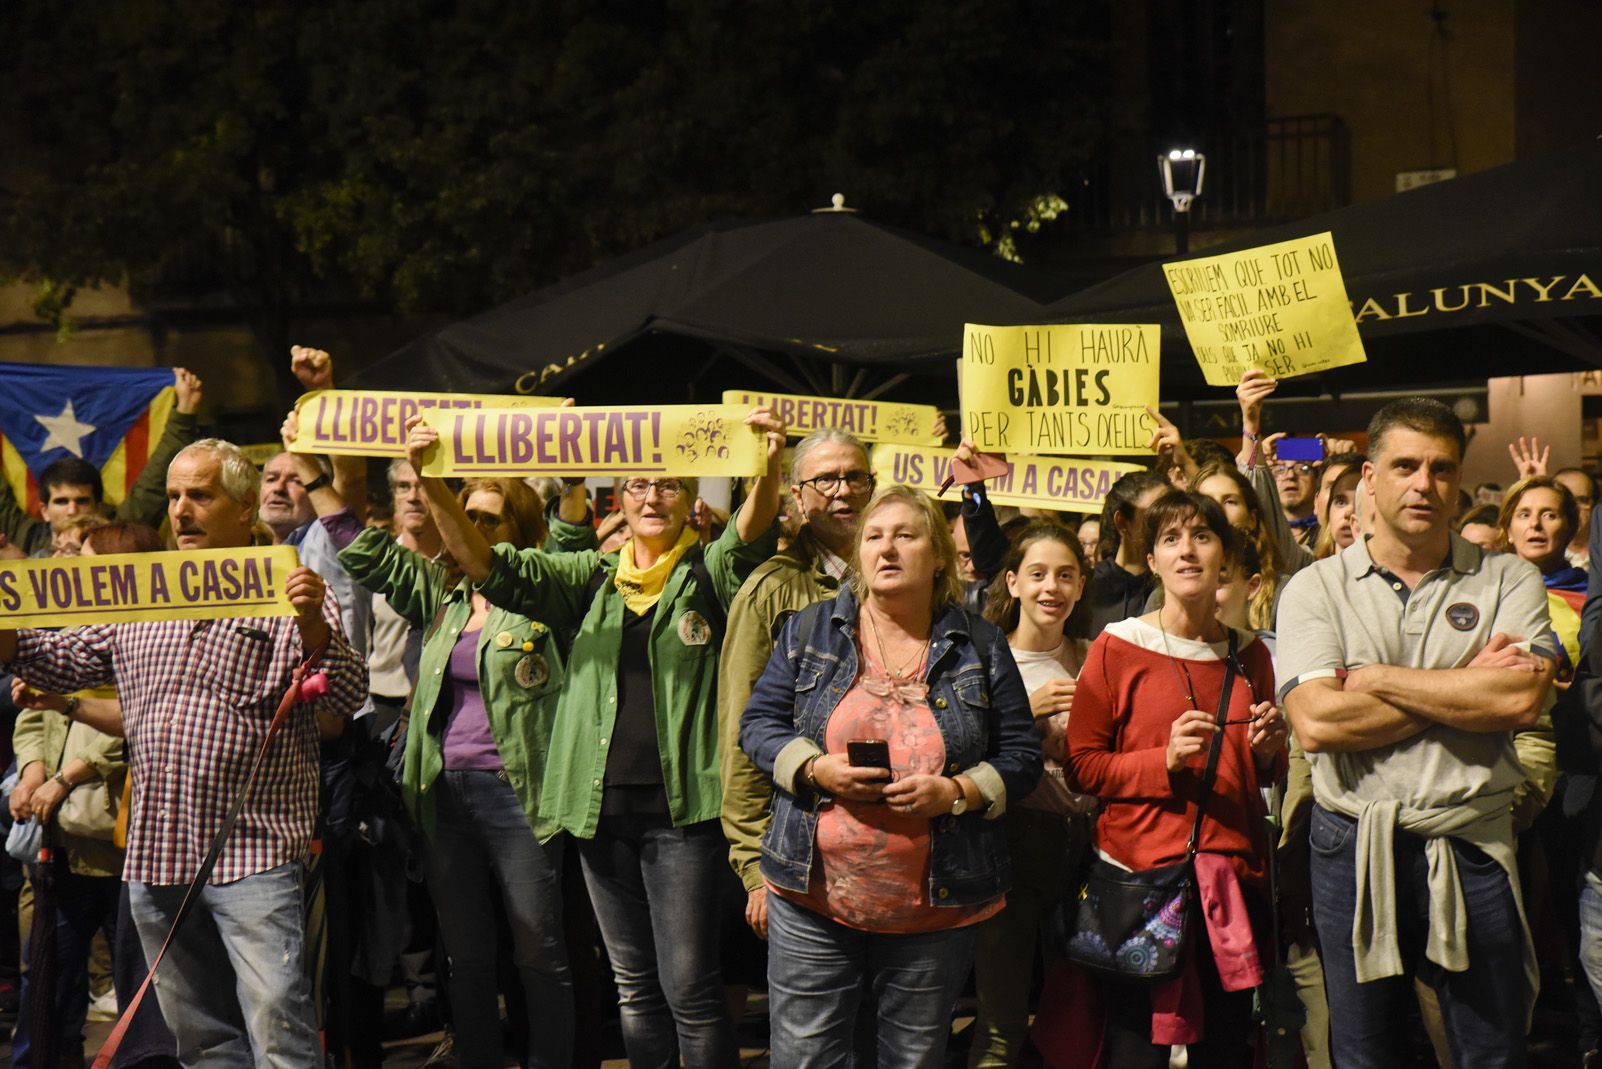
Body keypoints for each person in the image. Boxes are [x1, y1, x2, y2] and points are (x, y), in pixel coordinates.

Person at [413, 407, 786, 1068]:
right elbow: (483, 561)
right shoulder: (588, 577)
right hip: (600, 815)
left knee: (690, 988)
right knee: (634, 990)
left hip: (683, 817)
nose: (652, 496)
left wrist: (768, 461)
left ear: (689, 498)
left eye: (668, 485)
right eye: (639, 485)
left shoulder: (709, 572)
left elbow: (751, 532)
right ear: (621, 498)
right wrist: (430, 482)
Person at [0, 438, 368, 1068]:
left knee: (278, 1027)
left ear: (245, 506)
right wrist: (8, 624)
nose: (180, 509)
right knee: (200, 1039)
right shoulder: (144, 593)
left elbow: (347, 694)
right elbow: (61, 659)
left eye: (200, 495)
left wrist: (312, 626)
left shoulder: (285, 586)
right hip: (157, 854)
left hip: (252, 853)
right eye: (173, 495)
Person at [1277, 398, 1557, 1066]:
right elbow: (1317, 721)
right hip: (1351, 839)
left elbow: (1520, 696)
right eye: (1405, 466)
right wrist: (1466, 682)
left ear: (1458, 480)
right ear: (1370, 478)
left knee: (1490, 1050)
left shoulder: (1508, 577)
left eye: (1441, 468)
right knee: (1364, 1051)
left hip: (1471, 837)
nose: (1424, 483)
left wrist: (1374, 678)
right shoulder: (1315, 588)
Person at [739, 485, 1041, 1068]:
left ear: (939, 556)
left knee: (911, 1059)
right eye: (874, 537)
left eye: (905, 535)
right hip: (812, 895)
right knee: (805, 1058)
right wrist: (815, 769)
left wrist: (956, 793)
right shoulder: (811, 630)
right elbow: (758, 725)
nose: (887, 548)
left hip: (935, 906)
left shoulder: (980, 643)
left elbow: (1022, 757)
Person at [339, 466, 575, 1069]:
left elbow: (573, 538)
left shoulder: (543, 587)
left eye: (489, 518)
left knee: (537, 952)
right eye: (466, 515)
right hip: (443, 792)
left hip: (517, 794)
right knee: (464, 958)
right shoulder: (443, 593)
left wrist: (573, 482)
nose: (474, 527)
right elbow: (366, 554)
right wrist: (323, 476)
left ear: (521, 527)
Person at [1065, 491, 1285, 1064]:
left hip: (1231, 889)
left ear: (1225, 560)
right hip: (1140, 884)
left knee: (1226, 1049)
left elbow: (1258, 774)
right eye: (1170, 539)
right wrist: (1161, 761)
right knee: (1133, 1050)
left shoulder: (1252, 655)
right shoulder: (1118, 647)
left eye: (1201, 537)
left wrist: (1268, 753)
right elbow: (1081, 767)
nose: (1186, 551)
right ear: (1153, 560)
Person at [8, 521, 179, 1069]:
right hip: (62, 838)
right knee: (47, 975)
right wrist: (33, 773)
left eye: (87, 563)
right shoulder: (72, 636)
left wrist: (66, 777)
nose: (76, 573)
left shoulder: (152, 636)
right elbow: (33, 714)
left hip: (125, 842)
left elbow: (140, 725)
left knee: (141, 980)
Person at [720, 428, 875, 939]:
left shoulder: (906, 580)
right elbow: (743, 730)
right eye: (826, 479)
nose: (843, 490)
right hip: (803, 839)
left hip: (894, 835)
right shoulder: (771, 590)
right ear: (798, 496)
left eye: (855, 477)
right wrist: (752, 862)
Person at [968, 523, 1094, 1069]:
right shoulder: (985, 659)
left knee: (1079, 1018)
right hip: (1013, 842)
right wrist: (1025, 714)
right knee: (1002, 1020)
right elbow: (957, 753)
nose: (1052, 588)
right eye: (1038, 574)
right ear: (1013, 583)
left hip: (1087, 848)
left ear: (1081, 586)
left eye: (1065, 575)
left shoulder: (1095, 657)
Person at [0, 369, 202, 557]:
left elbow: (153, 485)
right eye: (61, 501)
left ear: (98, 506)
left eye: (82, 501)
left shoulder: (118, 537)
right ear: (44, 510)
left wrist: (184, 412)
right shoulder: (26, 537)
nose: (72, 511)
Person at [1192, 462, 1289, 629]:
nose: (1218, 511)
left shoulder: (1284, 590)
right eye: (1207, 502)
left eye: (1230, 501)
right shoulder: (1168, 592)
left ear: (1252, 519)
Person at [1078, 470, 1170, 640]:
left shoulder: (1174, 585)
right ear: (1122, 522)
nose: (1168, 523)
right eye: (1154, 514)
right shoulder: (1087, 587)